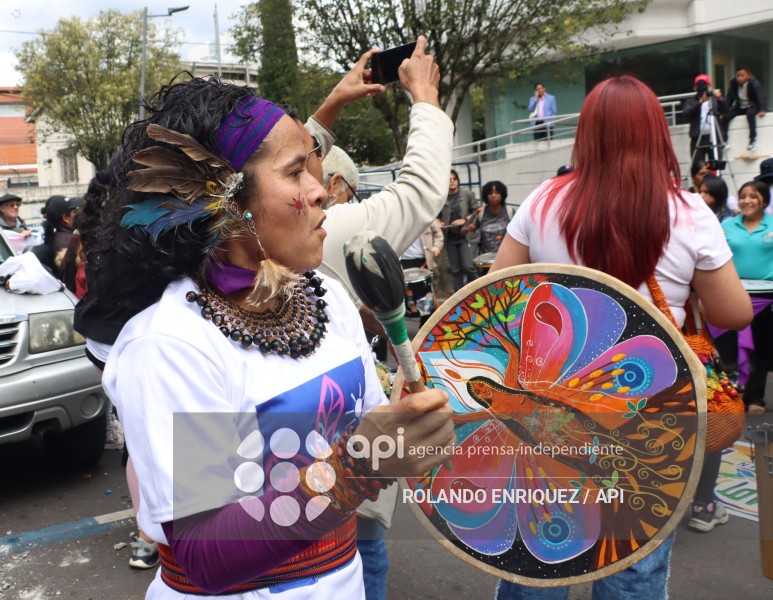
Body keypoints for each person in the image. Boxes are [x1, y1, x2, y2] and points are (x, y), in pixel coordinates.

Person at [90, 78, 454, 600]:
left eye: (312, 164)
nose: (320, 187)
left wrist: (417, 424)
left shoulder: (325, 296)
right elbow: (206, 555)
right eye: (294, 172)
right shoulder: (172, 345)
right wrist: (358, 466)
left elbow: (375, 429)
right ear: (228, 204)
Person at [491, 74, 752, 600]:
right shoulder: (687, 211)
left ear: (586, 135)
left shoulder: (542, 201)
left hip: (550, 408)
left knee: (541, 555)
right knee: (633, 567)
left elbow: (499, 296)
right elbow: (735, 312)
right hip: (651, 410)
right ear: (657, 134)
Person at [720, 180, 773, 416]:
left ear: (764, 200)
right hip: (732, 293)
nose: (747, 201)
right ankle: (728, 397)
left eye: (753, 196)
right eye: (743, 196)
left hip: (767, 297)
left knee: (760, 349)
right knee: (728, 348)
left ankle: (755, 399)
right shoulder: (727, 225)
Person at [441, 170, 480, 291]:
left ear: (458, 181)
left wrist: (464, 220)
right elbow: (436, 216)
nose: (452, 182)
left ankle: (476, 291)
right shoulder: (442, 198)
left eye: (454, 179)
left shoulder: (467, 194)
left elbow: (477, 212)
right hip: (450, 238)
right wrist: (440, 223)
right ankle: (459, 298)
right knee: (455, 270)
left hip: (466, 236)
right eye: (449, 179)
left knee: (468, 266)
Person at [682, 74, 728, 164]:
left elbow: (726, 110)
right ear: (695, 88)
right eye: (699, 85)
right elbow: (686, 114)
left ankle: (714, 177)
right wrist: (700, 102)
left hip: (714, 136)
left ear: (709, 86)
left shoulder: (715, 99)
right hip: (698, 137)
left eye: (705, 85)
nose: (702, 88)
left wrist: (720, 99)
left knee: (715, 164)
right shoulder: (690, 101)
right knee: (698, 166)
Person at [724, 66, 767, 152]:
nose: (739, 78)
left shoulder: (754, 83)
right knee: (725, 117)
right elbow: (729, 99)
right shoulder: (733, 84)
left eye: (742, 75)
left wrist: (762, 109)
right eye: (737, 76)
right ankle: (724, 140)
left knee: (750, 115)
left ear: (749, 75)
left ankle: (752, 140)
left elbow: (760, 96)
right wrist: (724, 111)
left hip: (752, 105)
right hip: (740, 106)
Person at [478, 180, 511, 254]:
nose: (493, 196)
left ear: (502, 195)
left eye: (497, 193)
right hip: (485, 256)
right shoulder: (480, 212)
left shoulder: (510, 212)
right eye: (490, 193)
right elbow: (465, 231)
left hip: (507, 254)